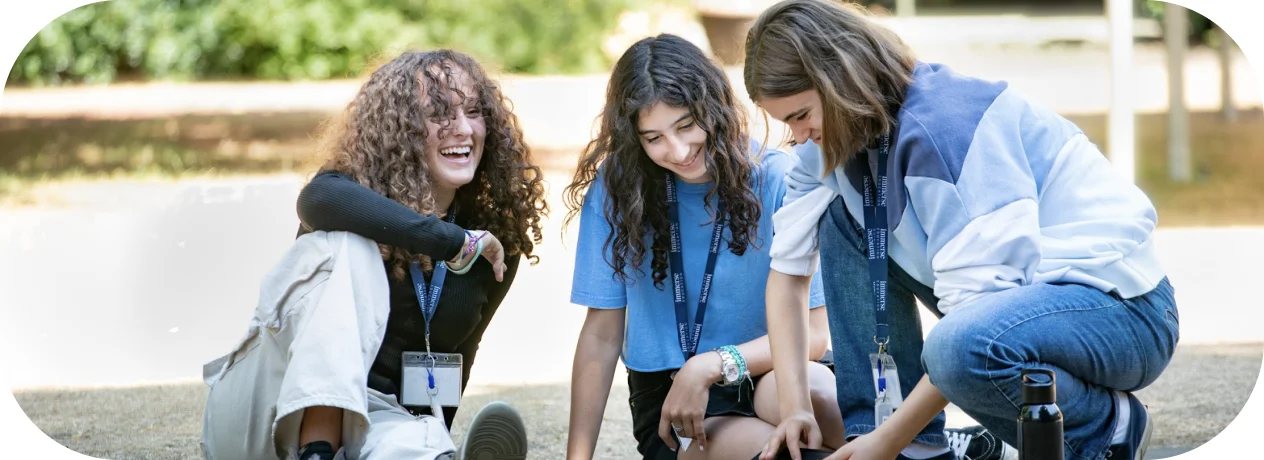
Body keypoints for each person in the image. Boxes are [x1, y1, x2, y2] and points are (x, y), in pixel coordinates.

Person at [743, 2, 1179, 460]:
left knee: (956, 351)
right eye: (786, 122)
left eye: (800, 115)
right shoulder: (827, 141)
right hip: (1020, 313)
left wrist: (884, 446)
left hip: (1125, 316)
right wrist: (796, 410)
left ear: (839, 80)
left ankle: (1103, 428)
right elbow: (788, 275)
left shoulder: (947, 134)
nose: (799, 134)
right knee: (840, 218)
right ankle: (913, 448)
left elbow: (967, 342)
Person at [200, 49, 548, 460]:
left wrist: (434, 437)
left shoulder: (493, 241)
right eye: (438, 113)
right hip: (273, 402)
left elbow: (458, 358)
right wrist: (452, 242)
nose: (462, 129)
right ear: (399, 129)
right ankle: (317, 447)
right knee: (351, 245)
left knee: (415, 446)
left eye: (473, 112)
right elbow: (318, 197)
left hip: (373, 422)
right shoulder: (346, 201)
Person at [563, 34, 846, 460]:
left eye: (685, 126)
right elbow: (602, 337)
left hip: (770, 368)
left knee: (825, 400)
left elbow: (816, 333)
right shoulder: (615, 190)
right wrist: (577, 457)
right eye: (653, 137)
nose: (677, 151)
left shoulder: (775, 177)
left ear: (713, 107)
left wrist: (710, 364)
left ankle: (917, 447)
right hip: (675, 396)